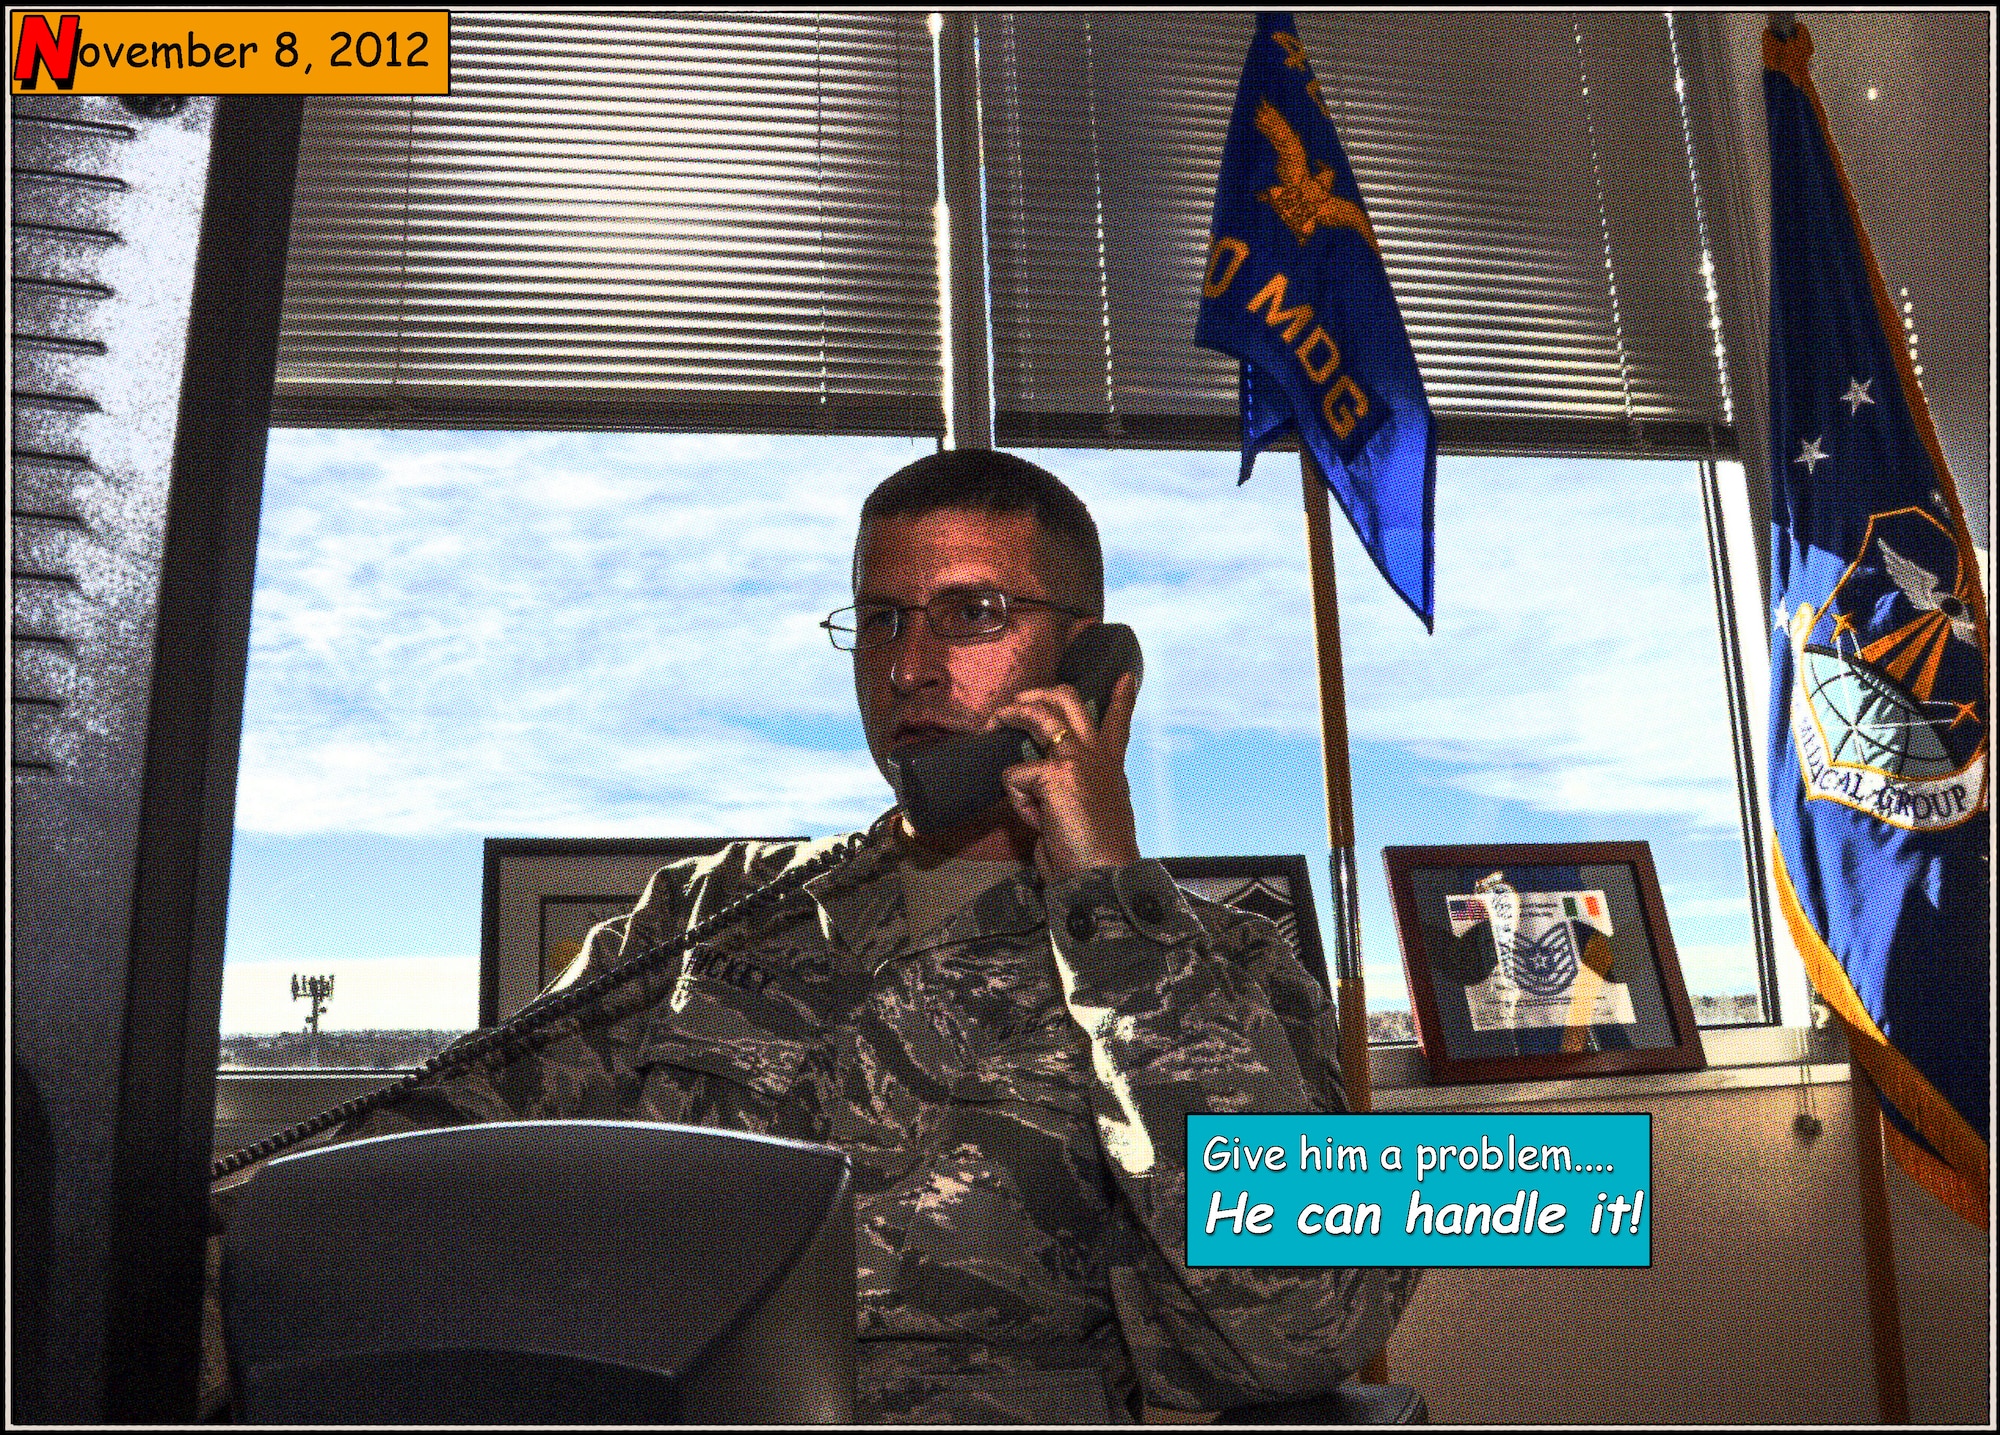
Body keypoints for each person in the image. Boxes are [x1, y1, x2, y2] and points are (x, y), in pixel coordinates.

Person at [206, 448, 1418, 1422]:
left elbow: (1297, 1323)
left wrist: (1105, 898)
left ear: (1092, 664)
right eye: (883, 619)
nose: (910, 664)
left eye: (972, 613)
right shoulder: (703, 914)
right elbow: (422, 1149)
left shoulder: (1219, 968)